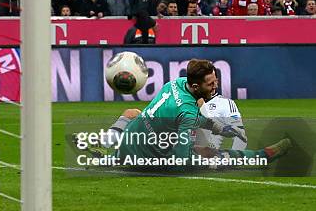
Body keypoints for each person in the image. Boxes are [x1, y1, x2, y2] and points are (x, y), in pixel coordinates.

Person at [93, 59, 289, 164]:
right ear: (195, 86)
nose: (215, 86)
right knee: (208, 153)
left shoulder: (176, 83)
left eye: (216, 80)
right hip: (146, 157)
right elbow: (182, 156)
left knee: (132, 113)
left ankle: (106, 147)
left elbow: (196, 118)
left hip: (129, 141)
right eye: (210, 83)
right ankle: (263, 156)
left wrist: (221, 129)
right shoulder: (187, 113)